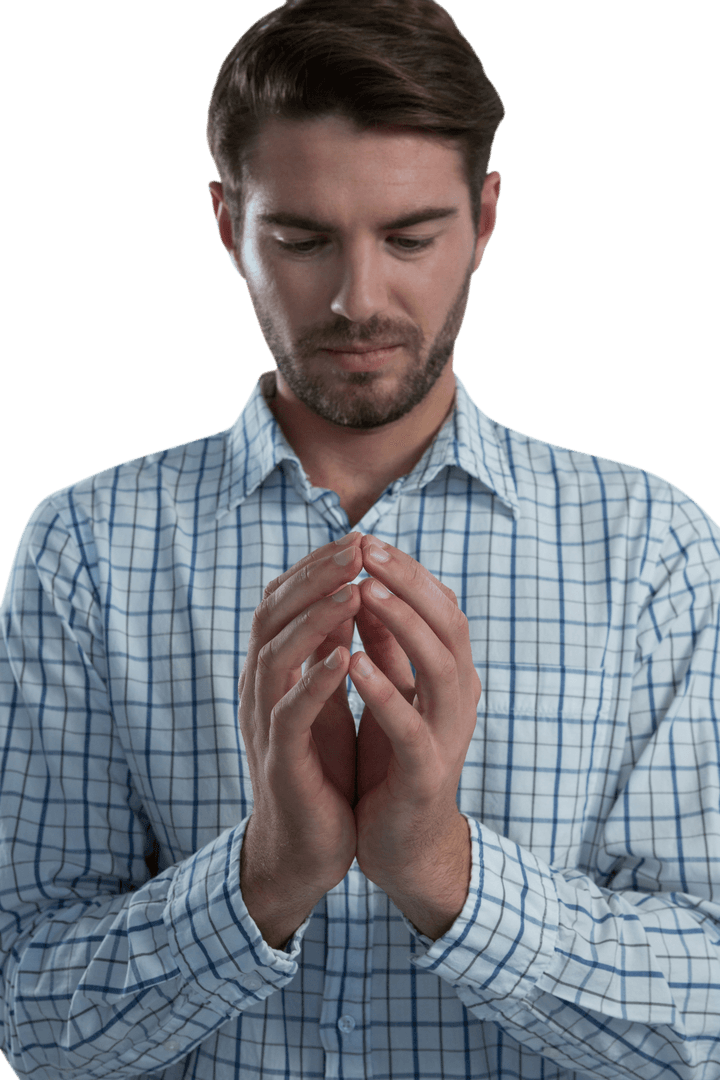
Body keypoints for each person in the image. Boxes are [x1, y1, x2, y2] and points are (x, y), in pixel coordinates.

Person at [1, 0, 719, 1076]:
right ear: (224, 222)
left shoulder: (654, 548)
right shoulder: (87, 549)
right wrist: (265, 878)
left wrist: (448, 875)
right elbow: (24, 1018)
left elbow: (709, 1012)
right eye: (300, 238)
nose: (357, 298)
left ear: (484, 220)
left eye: (411, 237)